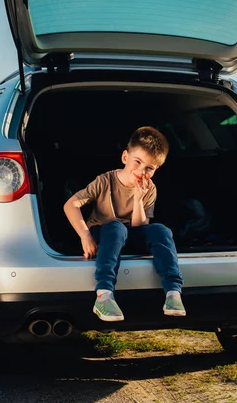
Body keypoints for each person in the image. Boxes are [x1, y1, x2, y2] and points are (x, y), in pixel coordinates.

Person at [63, 126, 185, 322]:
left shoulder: (149, 189)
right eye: (137, 162)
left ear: (156, 169)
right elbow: (71, 205)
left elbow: (139, 226)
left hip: (130, 234)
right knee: (116, 227)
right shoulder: (105, 180)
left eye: (149, 168)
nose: (141, 171)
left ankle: (173, 293)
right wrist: (85, 236)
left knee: (161, 230)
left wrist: (138, 199)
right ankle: (104, 295)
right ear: (125, 157)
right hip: (103, 234)